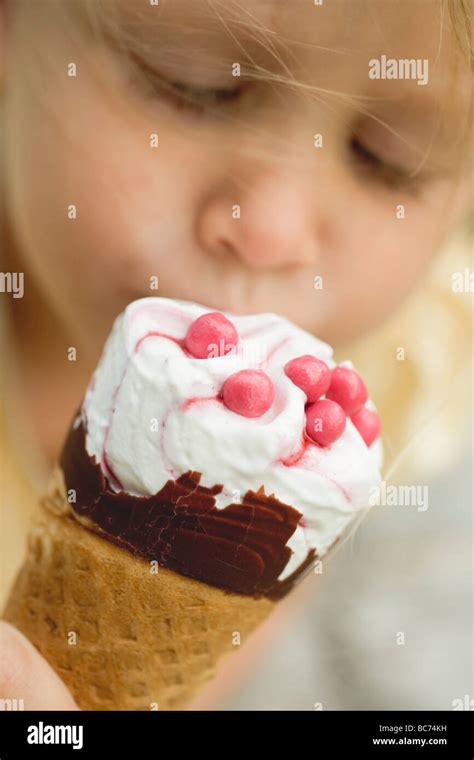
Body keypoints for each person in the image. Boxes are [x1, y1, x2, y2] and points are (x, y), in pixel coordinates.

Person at [0, 0, 472, 710]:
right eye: (195, 85)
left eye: (387, 161)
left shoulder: (399, 360)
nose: (271, 232)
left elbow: (218, 616)